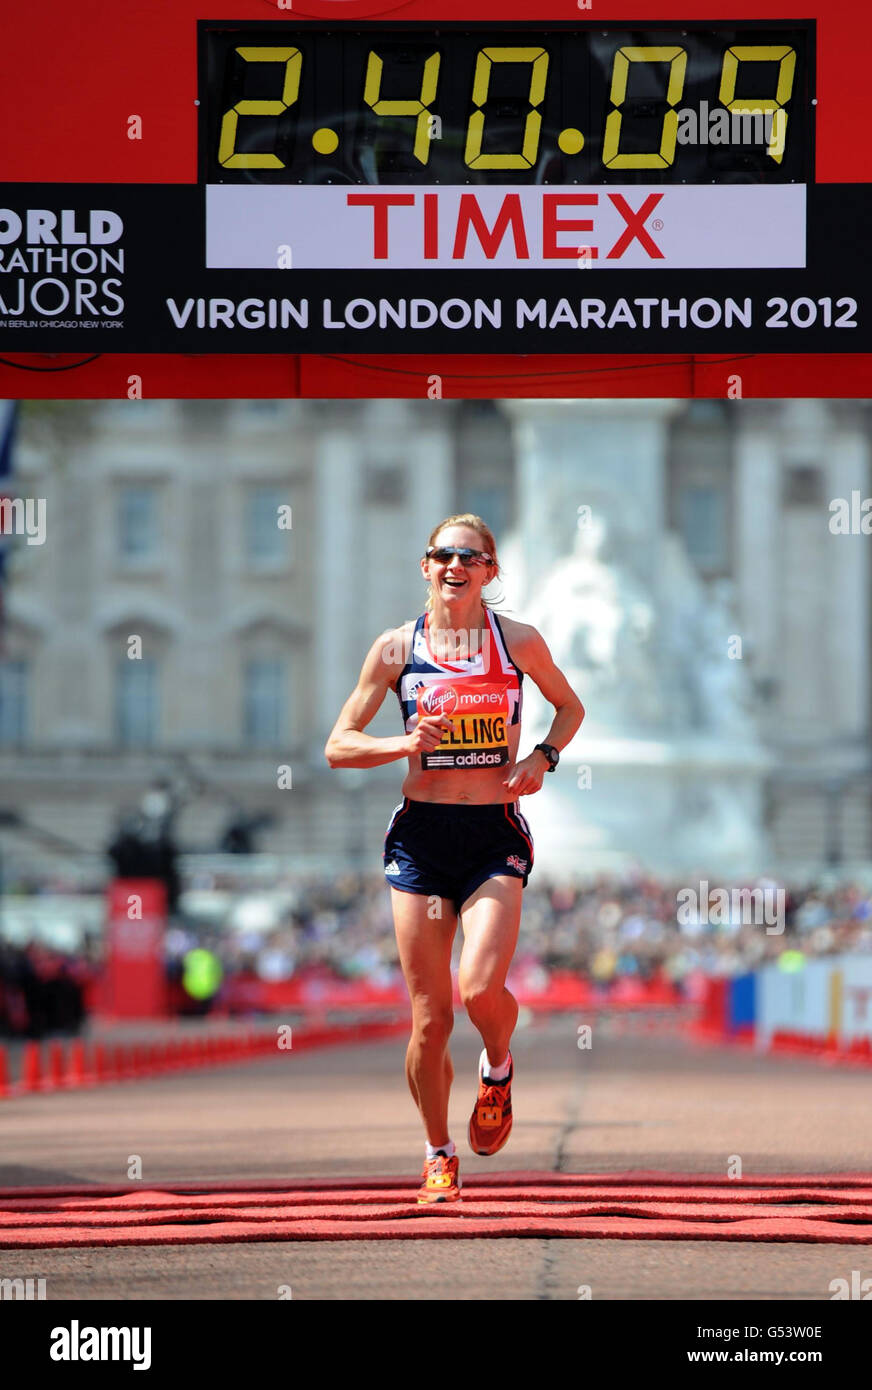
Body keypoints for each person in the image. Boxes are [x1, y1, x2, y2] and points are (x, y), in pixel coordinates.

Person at [325, 513, 584, 1203]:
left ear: (490, 571)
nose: (454, 566)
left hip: (493, 832)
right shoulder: (394, 648)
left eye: (470, 557)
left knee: (477, 991)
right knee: (430, 1017)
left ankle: (498, 1068)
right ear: (425, 565)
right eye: (442, 554)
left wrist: (542, 757)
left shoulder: (518, 642)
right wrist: (403, 744)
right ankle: (438, 1153)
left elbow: (569, 707)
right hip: (420, 838)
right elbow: (339, 745)